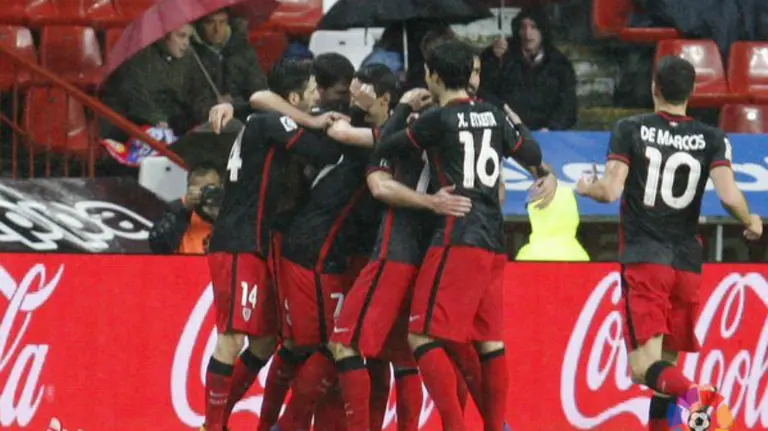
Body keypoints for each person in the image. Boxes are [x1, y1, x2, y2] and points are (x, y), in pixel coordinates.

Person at [368, 39, 557, 431]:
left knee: (421, 336)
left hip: (458, 234)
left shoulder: (437, 120)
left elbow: (387, 146)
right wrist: (517, 123)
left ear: (433, 76)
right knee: (489, 341)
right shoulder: (491, 113)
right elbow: (533, 154)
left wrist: (402, 108)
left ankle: (454, 425)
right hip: (493, 240)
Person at [575, 56, 763, 431]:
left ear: (654, 89)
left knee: (643, 368)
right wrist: (751, 219)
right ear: (693, 93)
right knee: (666, 375)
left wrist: (586, 187)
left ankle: (705, 403)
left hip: (647, 260)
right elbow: (728, 195)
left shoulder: (631, 128)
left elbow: (611, 190)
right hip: (687, 265)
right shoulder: (713, 137)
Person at [201, 60, 350, 431]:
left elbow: (260, 98)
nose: (318, 96)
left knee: (265, 341)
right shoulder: (272, 122)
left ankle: (220, 418)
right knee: (232, 337)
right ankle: (212, 425)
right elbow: (325, 153)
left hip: (254, 242)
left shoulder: (268, 117)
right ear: (296, 96)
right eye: (313, 90)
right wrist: (333, 126)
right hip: (238, 240)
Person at [479, 7, 577, 131]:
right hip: (506, 130)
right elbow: (484, 91)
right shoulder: (501, 55)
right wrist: (492, 58)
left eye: (533, 27)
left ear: (543, 31)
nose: (527, 33)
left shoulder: (559, 63)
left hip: (546, 133)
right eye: (522, 27)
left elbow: (568, 105)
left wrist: (552, 128)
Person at [192, 8, 268, 106]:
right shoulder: (192, 53)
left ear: (228, 23)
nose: (217, 29)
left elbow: (259, 88)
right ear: (200, 24)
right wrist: (211, 103)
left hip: (243, 111)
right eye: (210, 22)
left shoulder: (242, 49)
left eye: (222, 22)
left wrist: (235, 101)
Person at [148, 164, 222, 254]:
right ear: (189, 190)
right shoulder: (177, 209)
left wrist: (220, 218)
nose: (207, 194)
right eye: (201, 190)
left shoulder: (232, 210)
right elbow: (158, 246)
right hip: (187, 265)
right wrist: (184, 210)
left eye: (211, 189)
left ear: (221, 187)